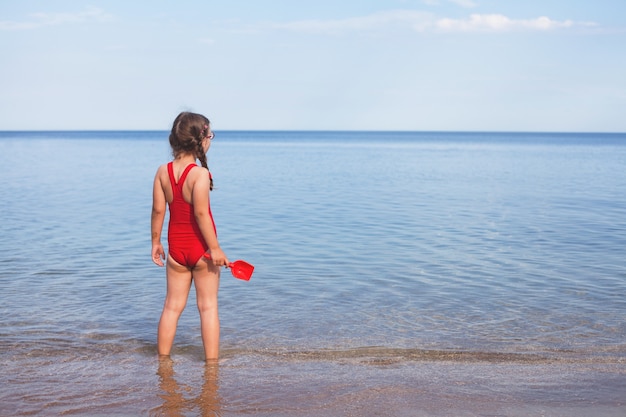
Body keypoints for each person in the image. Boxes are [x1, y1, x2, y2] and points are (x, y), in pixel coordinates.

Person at [151, 111, 229, 361]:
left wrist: (155, 242)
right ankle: (212, 366)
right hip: (201, 251)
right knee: (207, 308)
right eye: (210, 136)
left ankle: (162, 362)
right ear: (202, 140)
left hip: (176, 251)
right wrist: (215, 249)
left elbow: (158, 210)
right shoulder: (200, 175)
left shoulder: (163, 171)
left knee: (171, 308)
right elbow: (201, 214)